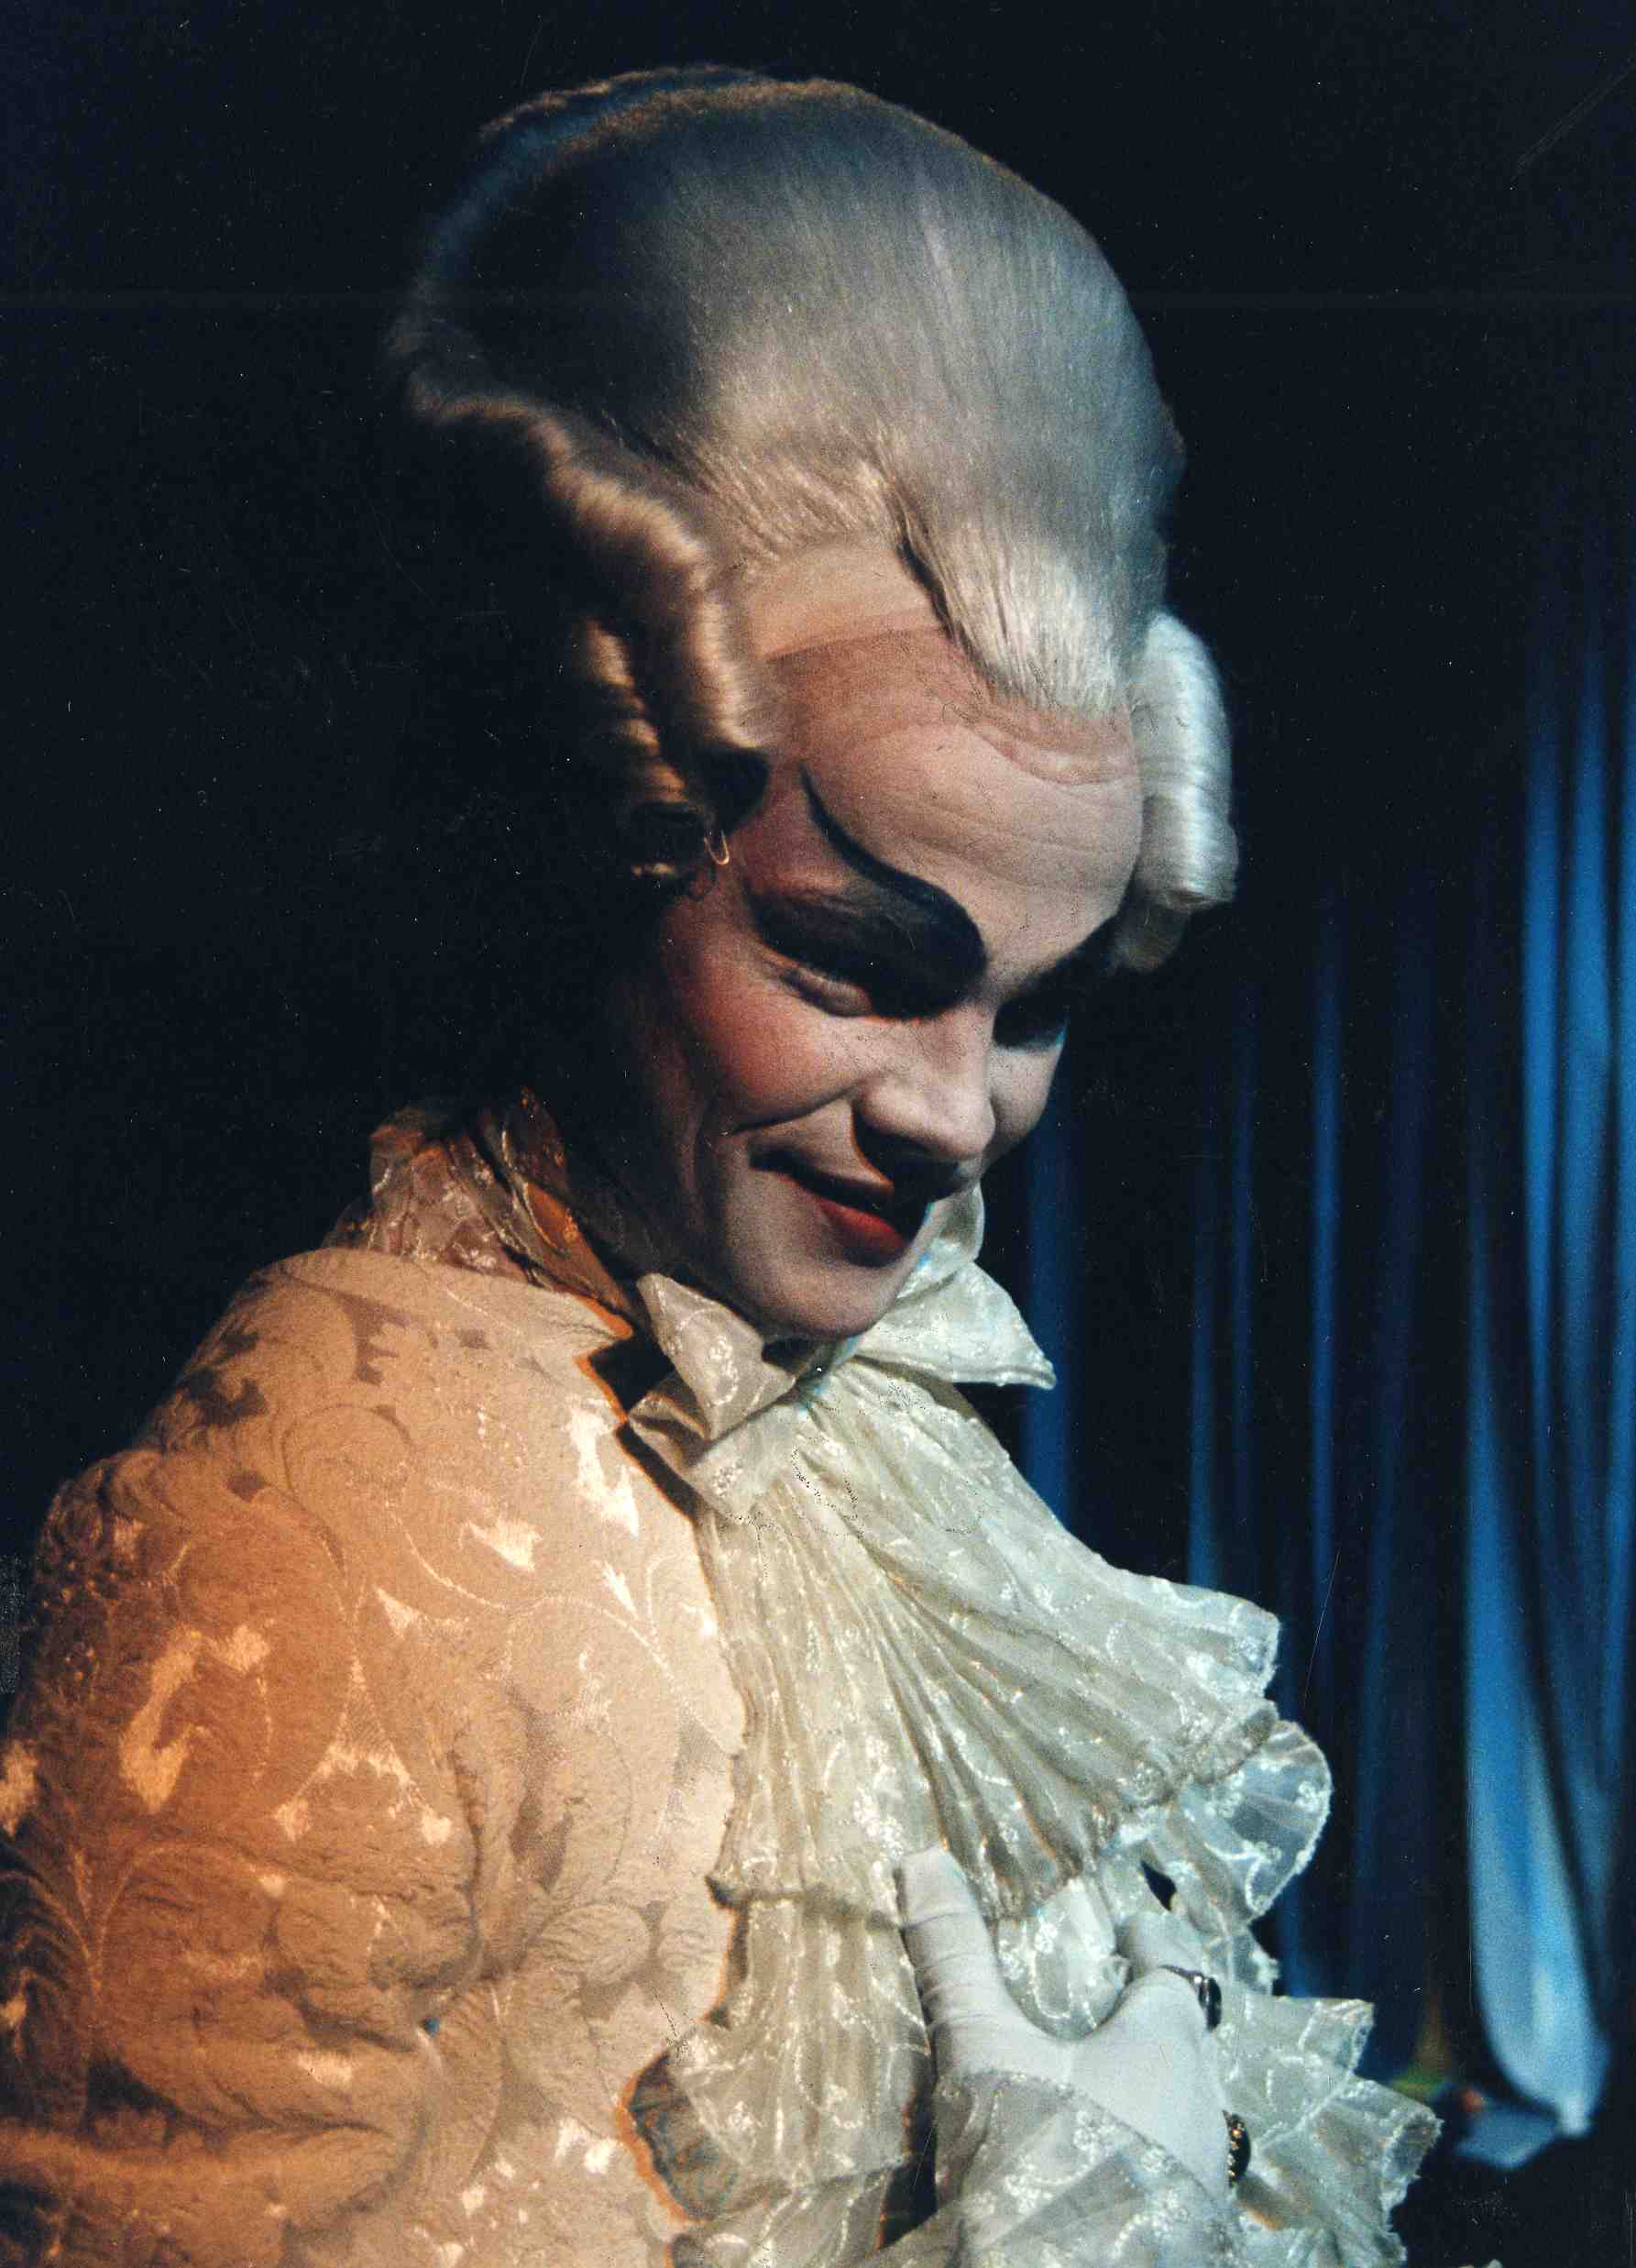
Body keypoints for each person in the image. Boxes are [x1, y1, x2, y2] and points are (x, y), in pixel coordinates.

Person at [0, 68, 1441, 2265]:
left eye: (1033, 1009)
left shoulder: (837, 1416)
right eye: (855, 963)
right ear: (601, 849)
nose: (956, 1114)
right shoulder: (312, 1522)